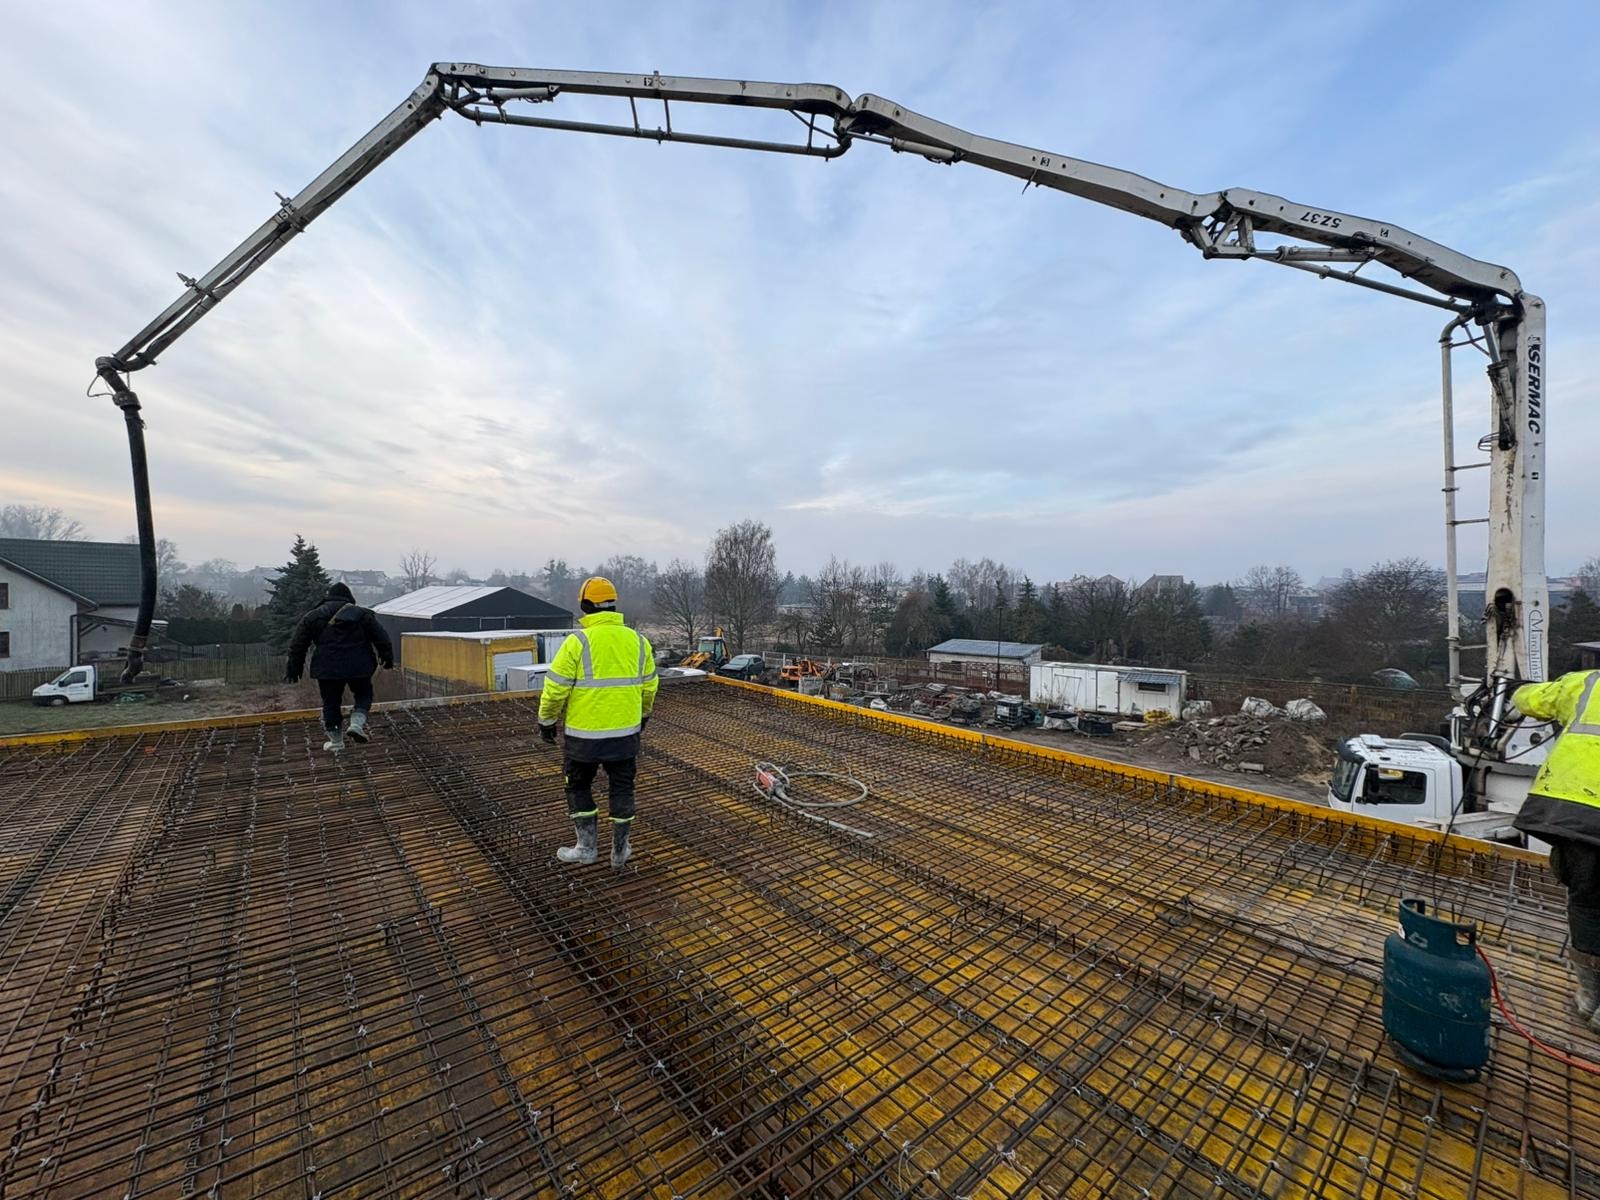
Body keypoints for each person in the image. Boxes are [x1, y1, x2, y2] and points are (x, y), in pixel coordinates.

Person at [539, 576, 658, 867]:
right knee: (622, 788)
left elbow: (555, 688)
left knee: (578, 786)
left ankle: (586, 849)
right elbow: (650, 686)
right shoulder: (638, 640)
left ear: (585, 605)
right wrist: (643, 717)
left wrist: (547, 720)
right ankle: (620, 851)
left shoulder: (577, 641)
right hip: (625, 736)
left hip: (584, 740)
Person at [1510, 668, 1600, 1027]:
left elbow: (1529, 699)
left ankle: (1591, 995)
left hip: (1572, 808)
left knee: (1587, 902)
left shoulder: (1587, 683)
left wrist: (1517, 692)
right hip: (1577, 807)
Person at [286, 581, 394, 752]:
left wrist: (294, 667)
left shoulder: (313, 616)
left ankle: (336, 741)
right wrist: (387, 658)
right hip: (359, 666)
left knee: (331, 703)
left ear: (328, 597)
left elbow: (298, 644)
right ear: (349, 598)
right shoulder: (363, 615)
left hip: (327, 668)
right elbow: (382, 637)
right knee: (363, 695)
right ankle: (356, 724)